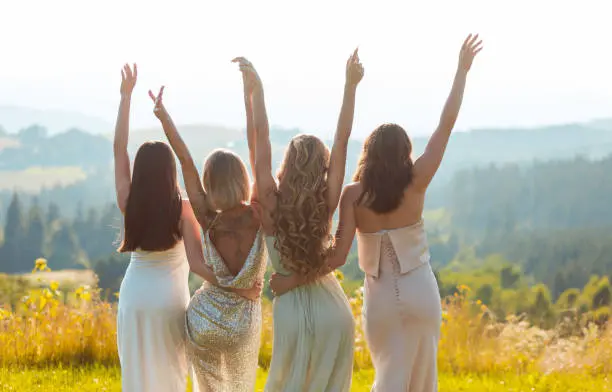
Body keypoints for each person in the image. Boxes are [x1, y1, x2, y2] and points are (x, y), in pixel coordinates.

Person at [271, 34, 483, 391]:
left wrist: (292, 280)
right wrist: (461, 72)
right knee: (422, 380)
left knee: (388, 376)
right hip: (420, 290)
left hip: (381, 297)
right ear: (405, 152)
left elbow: (336, 258)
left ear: (367, 153)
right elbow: (445, 126)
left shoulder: (353, 196)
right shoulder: (416, 183)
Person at [234, 49, 364, 391]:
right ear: (322, 166)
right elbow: (342, 138)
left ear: (287, 164)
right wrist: (350, 87)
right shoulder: (327, 201)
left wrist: (255, 92)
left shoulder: (271, 201)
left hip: (291, 311)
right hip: (333, 311)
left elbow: (258, 141)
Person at [148, 73, 265, 391]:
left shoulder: (207, 217)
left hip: (203, 318)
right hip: (243, 321)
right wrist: (249, 94)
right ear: (243, 179)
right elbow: (256, 149)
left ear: (210, 184)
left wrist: (163, 116)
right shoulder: (259, 215)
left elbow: (185, 160)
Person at [114, 63, 223, 392]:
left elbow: (119, 148)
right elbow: (198, 265)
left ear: (141, 173)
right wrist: (236, 283)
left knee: (137, 377)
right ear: (169, 173)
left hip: (133, 298)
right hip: (168, 302)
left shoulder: (128, 201)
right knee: (171, 379)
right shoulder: (183, 210)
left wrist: (125, 97)